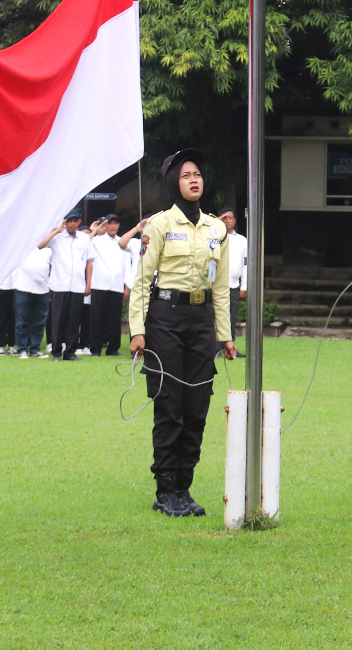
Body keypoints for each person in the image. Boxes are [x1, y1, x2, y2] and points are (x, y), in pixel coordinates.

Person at [128, 149, 236, 518]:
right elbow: (142, 281)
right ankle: (165, 489)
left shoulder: (216, 229)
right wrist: (138, 331)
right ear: (174, 182)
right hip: (165, 319)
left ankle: (185, 487)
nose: (194, 179)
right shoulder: (158, 225)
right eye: (186, 174)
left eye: (198, 174)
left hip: (201, 320)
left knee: (197, 405)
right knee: (169, 403)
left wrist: (225, 335)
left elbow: (220, 289)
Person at [41, 210, 94, 361]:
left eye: (75, 220)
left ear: (79, 222)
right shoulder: (57, 237)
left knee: (74, 320)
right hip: (59, 285)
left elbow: (89, 262)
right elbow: (40, 244)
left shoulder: (85, 238)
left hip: (77, 285)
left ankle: (70, 352)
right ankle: (56, 352)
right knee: (58, 320)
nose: (72, 223)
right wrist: (57, 229)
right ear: (65, 221)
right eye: (69, 221)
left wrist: (88, 283)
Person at [88, 215, 129, 357]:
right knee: (97, 318)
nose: (113, 226)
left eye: (115, 223)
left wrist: (127, 287)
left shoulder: (122, 242)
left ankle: (113, 349)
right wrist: (94, 230)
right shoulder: (97, 241)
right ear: (105, 226)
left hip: (116, 285)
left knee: (114, 319)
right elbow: (83, 243)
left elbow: (126, 267)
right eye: (109, 223)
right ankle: (95, 348)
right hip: (99, 284)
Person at [215, 208, 248, 357]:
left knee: (231, 317)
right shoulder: (214, 238)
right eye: (224, 218)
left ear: (235, 220)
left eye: (230, 218)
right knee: (215, 317)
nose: (227, 221)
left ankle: (230, 347)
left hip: (234, 285)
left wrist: (244, 286)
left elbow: (245, 264)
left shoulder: (241, 240)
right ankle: (216, 348)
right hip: (216, 285)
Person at [8, 246, 52, 359]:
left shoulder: (48, 250)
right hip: (23, 287)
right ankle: (22, 348)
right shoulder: (24, 247)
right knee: (22, 320)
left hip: (43, 288)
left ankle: (35, 348)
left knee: (39, 321)